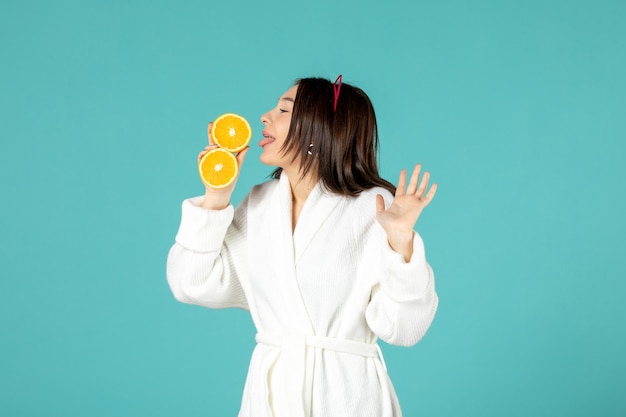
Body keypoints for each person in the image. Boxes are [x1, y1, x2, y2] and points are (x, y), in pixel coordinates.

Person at [166, 76, 439, 417]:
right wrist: (216, 198)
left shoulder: (376, 208)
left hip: (346, 398)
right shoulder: (259, 205)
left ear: (318, 129)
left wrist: (403, 244)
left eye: (283, 109)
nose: (265, 117)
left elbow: (404, 328)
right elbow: (190, 282)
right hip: (270, 399)